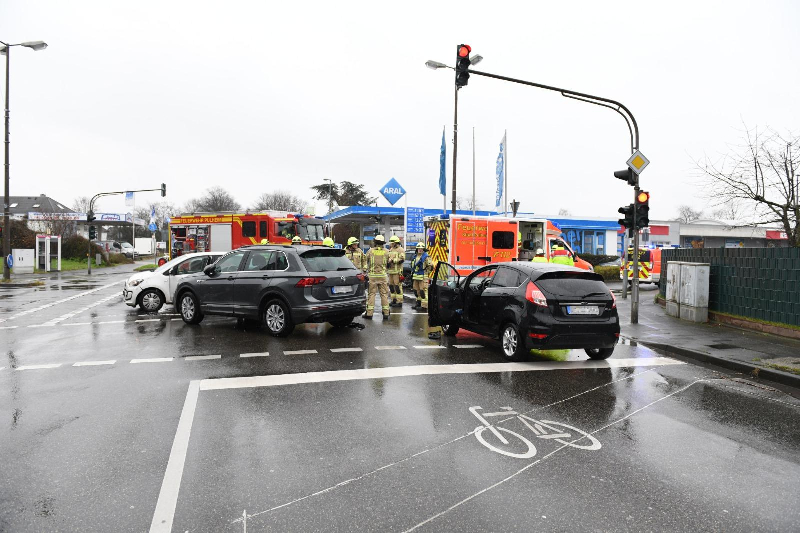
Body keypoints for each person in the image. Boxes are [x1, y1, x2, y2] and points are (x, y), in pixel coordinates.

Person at [364, 235, 390, 320]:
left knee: (372, 294)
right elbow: (389, 263)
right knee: (384, 294)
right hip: (383, 276)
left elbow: (365, 261)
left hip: (373, 276)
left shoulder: (370, 251)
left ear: (375, 242)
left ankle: (369, 313)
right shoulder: (387, 252)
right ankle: (386, 313)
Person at [410, 242, 429, 310]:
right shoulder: (415, 257)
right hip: (416, 276)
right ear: (417, 249)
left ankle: (424, 306)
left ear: (423, 249)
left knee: (423, 291)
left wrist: (426, 272)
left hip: (423, 277)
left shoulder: (426, 257)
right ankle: (418, 303)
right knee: (416, 291)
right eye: (419, 248)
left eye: (421, 248)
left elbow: (430, 267)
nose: (420, 250)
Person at [387, 235, 404, 308]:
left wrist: (393, 260)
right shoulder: (391, 250)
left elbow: (402, 259)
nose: (391, 244)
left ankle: (399, 301)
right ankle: (393, 300)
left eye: (392, 243)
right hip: (391, 271)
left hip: (397, 271)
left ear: (396, 243)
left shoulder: (400, 250)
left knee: (397, 286)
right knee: (391, 286)